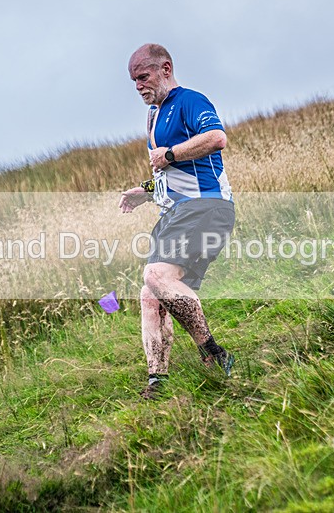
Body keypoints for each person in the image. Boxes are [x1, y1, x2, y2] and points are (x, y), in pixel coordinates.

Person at [119, 43, 235, 400]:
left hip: (206, 206)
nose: (138, 86)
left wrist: (169, 153)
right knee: (151, 294)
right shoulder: (153, 116)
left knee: (156, 276)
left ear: (165, 69)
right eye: (133, 81)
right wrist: (146, 190)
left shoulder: (190, 101)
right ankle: (158, 381)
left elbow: (216, 138)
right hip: (175, 212)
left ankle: (214, 353)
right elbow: (171, 174)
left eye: (143, 77)